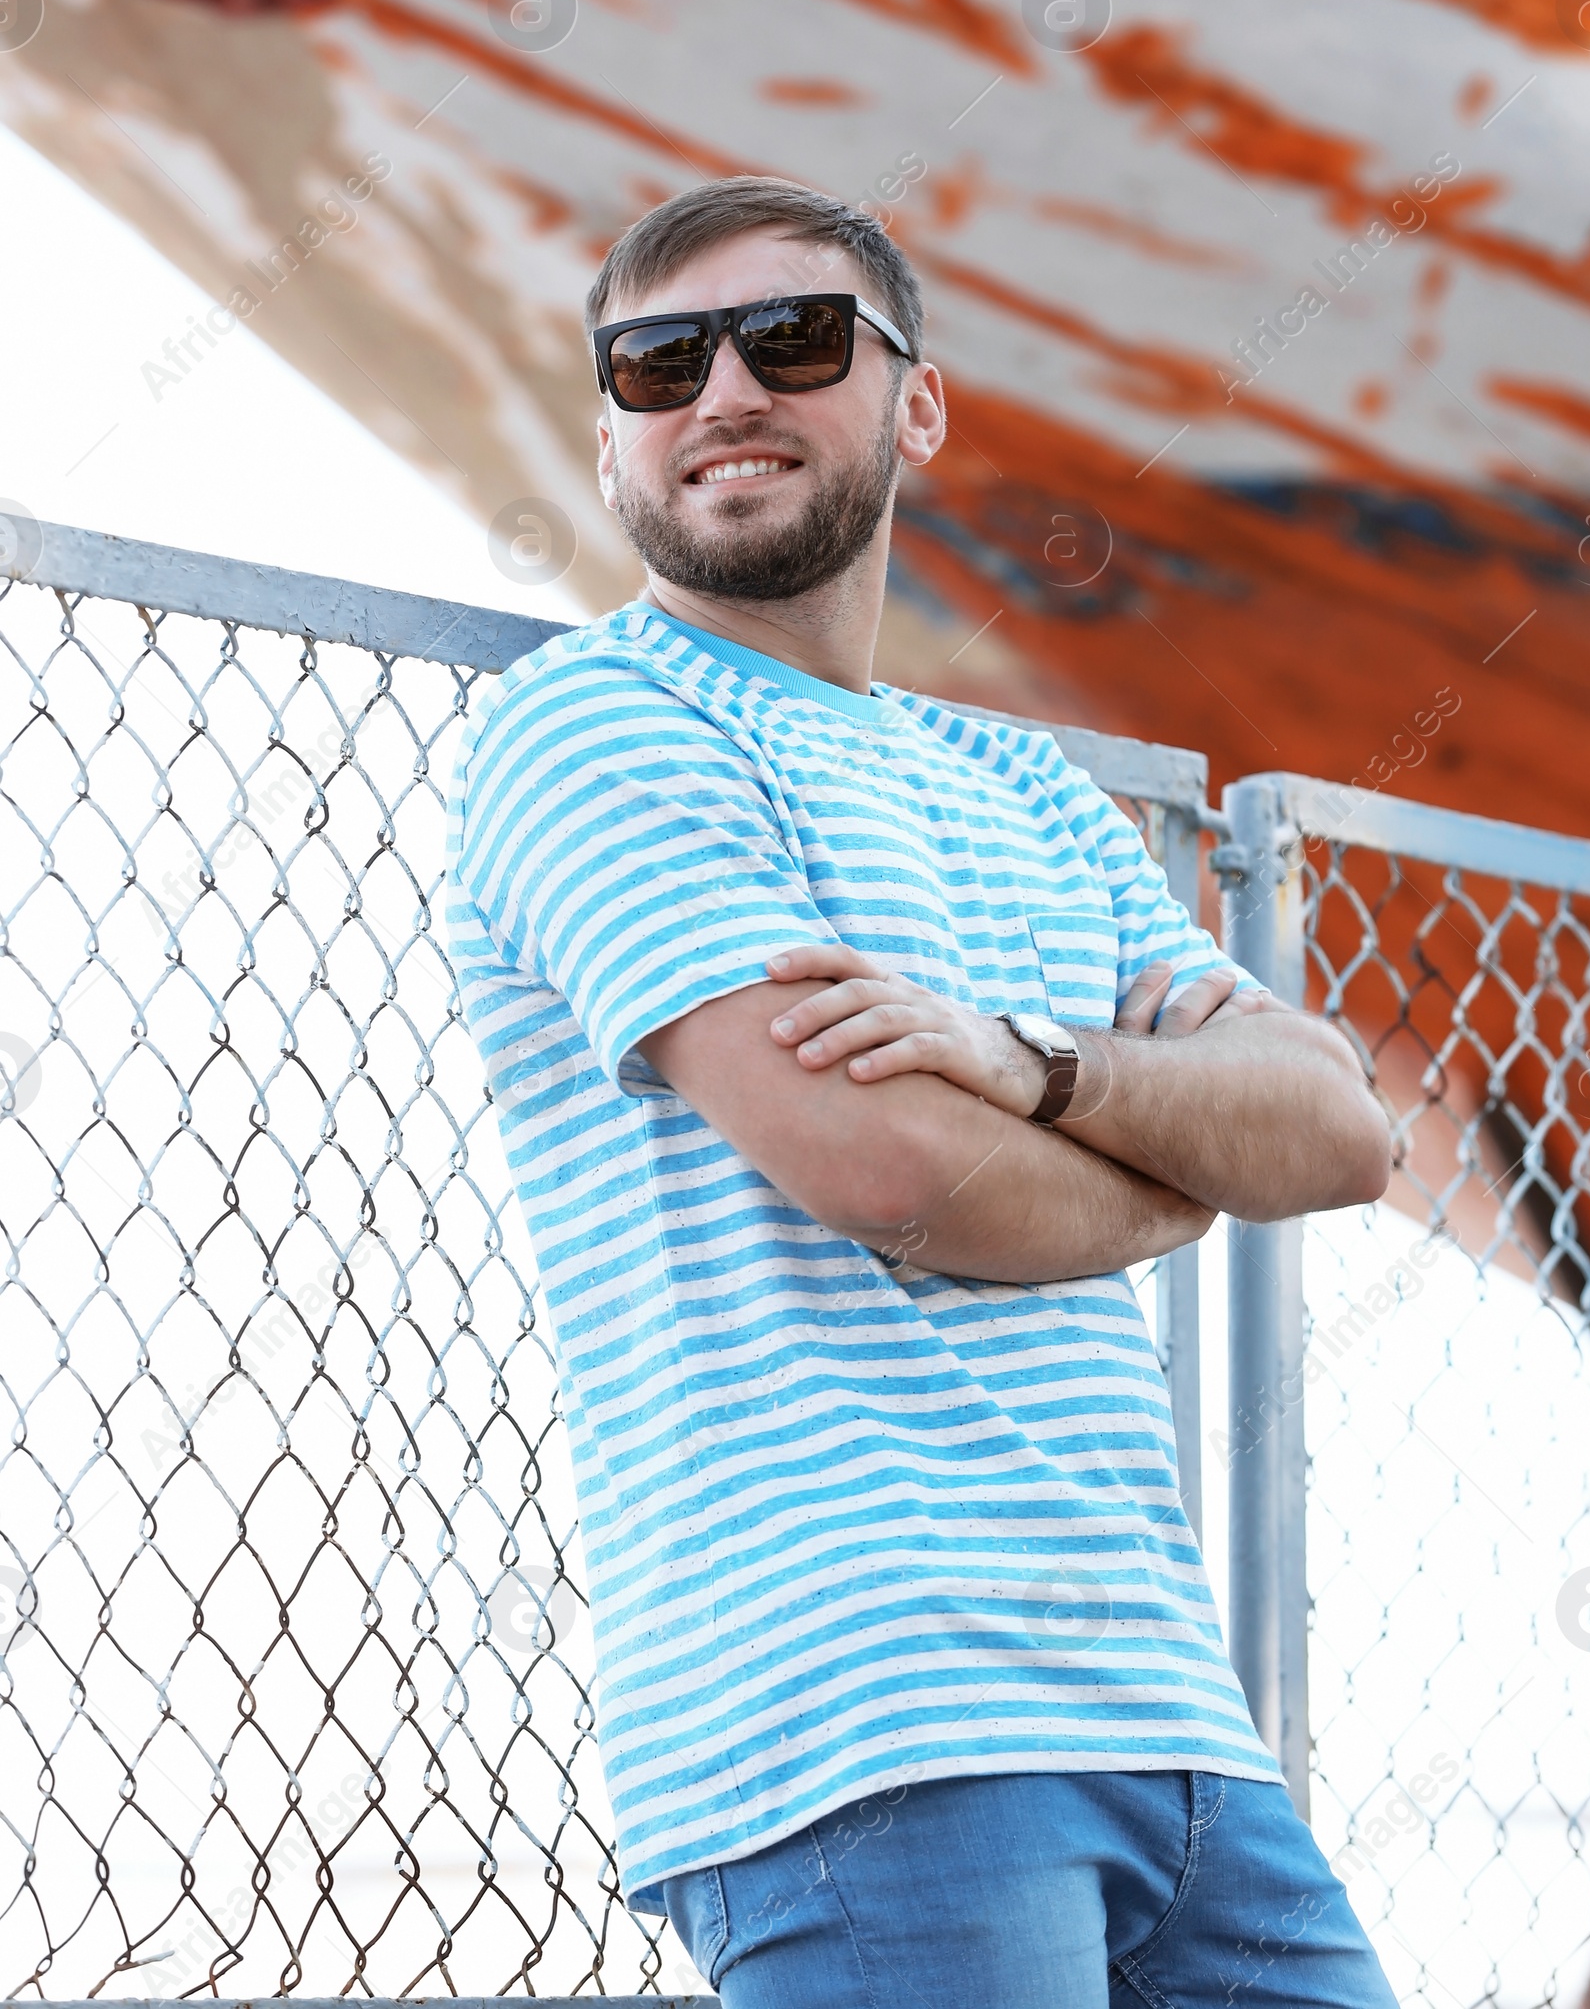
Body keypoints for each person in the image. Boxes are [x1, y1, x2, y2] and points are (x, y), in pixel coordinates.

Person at [446, 176, 1397, 2008]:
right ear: (612, 436)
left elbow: (1339, 1130)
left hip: (1175, 1720)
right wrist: (1172, 1170)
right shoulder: (594, 727)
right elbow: (887, 1169)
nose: (721, 393)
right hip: (865, 1730)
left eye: (791, 341)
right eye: (659, 363)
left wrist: (1029, 1065)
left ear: (917, 402)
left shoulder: (1020, 784)